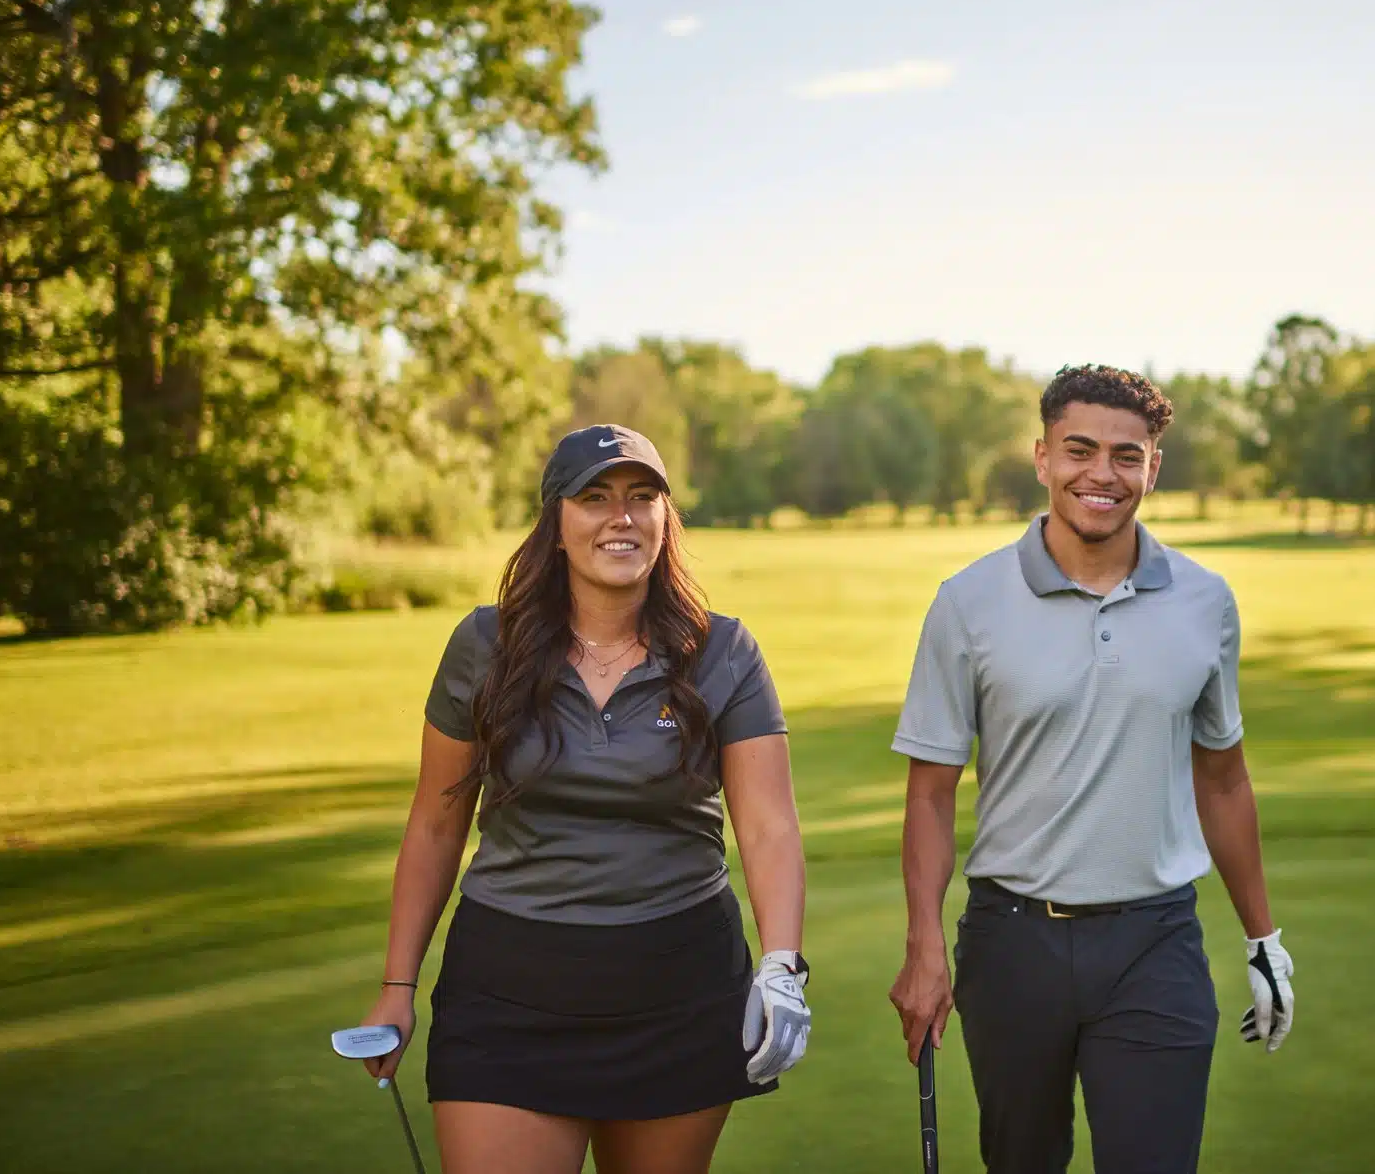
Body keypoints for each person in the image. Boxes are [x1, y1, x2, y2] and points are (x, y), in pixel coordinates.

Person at [352, 424, 810, 1174]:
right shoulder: (484, 646)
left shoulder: (723, 651)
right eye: (594, 498)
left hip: (678, 992)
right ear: (555, 525)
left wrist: (783, 966)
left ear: (666, 521)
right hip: (506, 996)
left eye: (641, 498)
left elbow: (767, 826)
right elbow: (436, 824)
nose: (620, 518)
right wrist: (397, 988)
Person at [887, 365, 1295, 1174]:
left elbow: (1223, 778)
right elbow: (931, 793)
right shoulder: (967, 602)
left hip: (1156, 939)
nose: (1101, 475)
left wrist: (1262, 938)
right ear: (1042, 458)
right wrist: (924, 945)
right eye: (1079, 450)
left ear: (1154, 467)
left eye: (1126, 455)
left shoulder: (1205, 601)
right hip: (1011, 942)